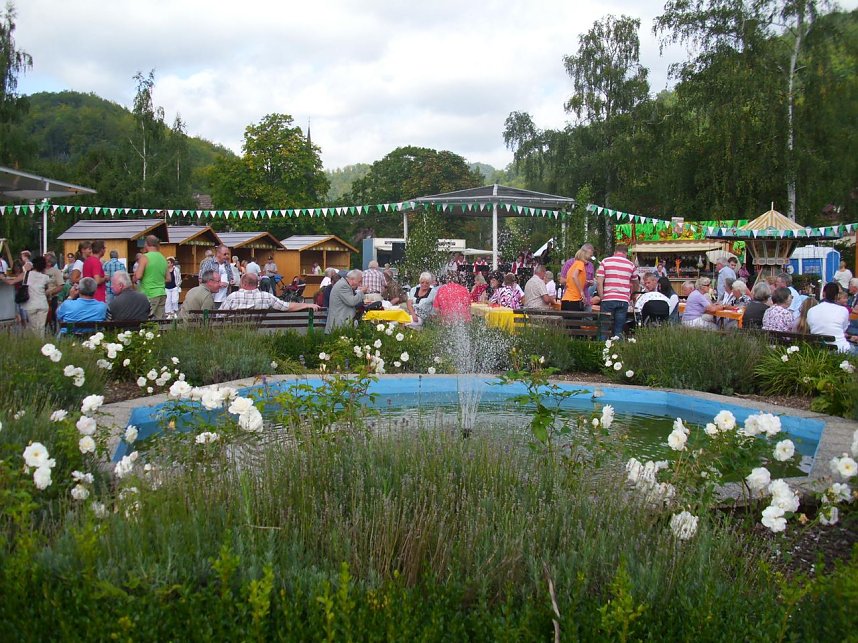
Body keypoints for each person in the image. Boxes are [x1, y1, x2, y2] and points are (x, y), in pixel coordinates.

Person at [221, 272, 320, 313]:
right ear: (257, 284)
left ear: (244, 283)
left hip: (232, 332)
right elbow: (287, 306)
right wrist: (307, 305)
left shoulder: (232, 297)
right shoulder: (266, 296)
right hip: (254, 331)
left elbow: (218, 316)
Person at [595, 243, 637, 337]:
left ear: (615, 252)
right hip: (623, 300)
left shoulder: (605, 261)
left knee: (603, 328)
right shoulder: (631, 265)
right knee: (619, 329)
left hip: (608, 298)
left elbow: (599, 282)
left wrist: (602, 296)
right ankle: (617, 349)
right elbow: (636, 283)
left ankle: (601, 349)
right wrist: (632, 296)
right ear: (626, 253)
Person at [808, 282, 856, 353]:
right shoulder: (843, 310)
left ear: (824, 293)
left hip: (819, 350)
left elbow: (811, 327)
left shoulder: (811, 310)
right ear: (837, 296)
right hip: (841, 349)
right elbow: (843, 329)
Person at [133, 235, 169, 319]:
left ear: (146, 244)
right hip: (162, 293)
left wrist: (134, 278)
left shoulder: (144, 257)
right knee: (159, 321)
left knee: (146, 320)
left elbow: (138, 276)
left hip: (149, 293)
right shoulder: (163, 258)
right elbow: (168, 278)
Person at [20, 256, 52, 336]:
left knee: (33, 328)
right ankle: (41, 345)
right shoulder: (45, 277)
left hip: (30, 304)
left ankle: (34, 344)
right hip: (42, 303)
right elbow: (46, 288)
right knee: (41, 328)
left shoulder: (26, 275)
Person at [325, 269, 365, 333]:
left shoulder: (344, 284)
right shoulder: (343, 286)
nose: (360, 284)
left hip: (340, 323)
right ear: (352, 279)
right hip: (339, 324)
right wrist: (361, 292)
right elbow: (352, 302)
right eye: (359, 281)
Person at [561, 247, 591, 312]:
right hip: (574, 300)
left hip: (566, 299)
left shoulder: (573, 265)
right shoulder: (580, 263)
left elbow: (571, 279)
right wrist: (581, 292)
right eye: (589, 256)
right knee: (576, 321)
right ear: (583, 256)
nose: (589, 258)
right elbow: (574, 276)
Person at [211, 244, 235, 309]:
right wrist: (218, 284)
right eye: (225, 254)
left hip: (225, 297)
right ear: (218, 253)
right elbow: (202, 279)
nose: (227, 256)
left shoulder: (227, 264)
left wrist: (231, 281)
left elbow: (230, 277)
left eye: (228, 254)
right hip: (212, 297)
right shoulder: (209, 263)